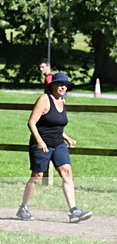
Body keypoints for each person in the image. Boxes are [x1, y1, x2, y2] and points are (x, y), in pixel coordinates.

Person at [16, 72, 92, 224]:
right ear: (53, 86)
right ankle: (23, 207)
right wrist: (40, 141)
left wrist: (67, 137)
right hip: (41, 145)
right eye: (60, 84)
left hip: (58, 144)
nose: (63, 87)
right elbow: (32, 122)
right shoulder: (44, 99)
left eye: (65, 85)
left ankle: (74, 211)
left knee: (67, 172)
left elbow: (55, 126)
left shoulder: (62, 102)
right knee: (37, 176)